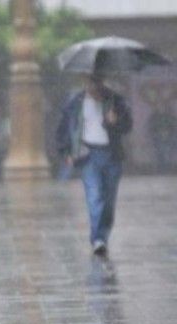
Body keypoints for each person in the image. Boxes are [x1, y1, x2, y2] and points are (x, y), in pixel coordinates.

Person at [56, 75, 132, 256]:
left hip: (111, 155)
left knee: (109, 200)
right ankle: (98, 239)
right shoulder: (75, 103)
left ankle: (102, 235)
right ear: (85, 82)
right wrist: (66, 152)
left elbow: (128, 126)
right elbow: (64, 128)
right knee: (94, 195)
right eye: (90, 82)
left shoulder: (115, 101)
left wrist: (115, 121)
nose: (94, 87)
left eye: (97, 82)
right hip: (88, 155)